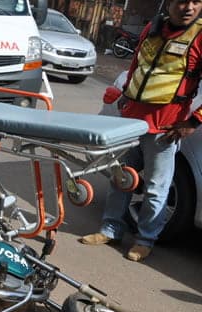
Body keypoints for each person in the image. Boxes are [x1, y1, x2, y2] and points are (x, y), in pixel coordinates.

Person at [81, 0, 202, 262]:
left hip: (165, 127)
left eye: (197, 2)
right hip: (131, 121)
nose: (189, 7)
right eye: (183, 1)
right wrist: (126, 94)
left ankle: (145, 240)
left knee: (157, 187)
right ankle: (110, 229)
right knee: (121, 177)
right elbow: (137, 64)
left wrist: (193, 122)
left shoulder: (200, 36)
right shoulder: (153, 27)